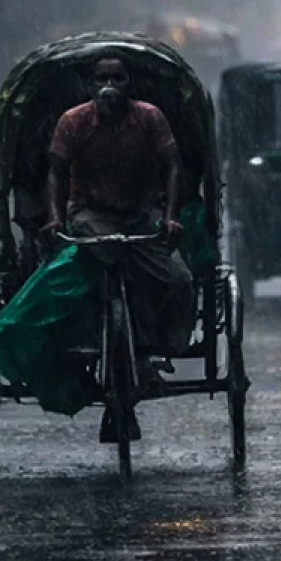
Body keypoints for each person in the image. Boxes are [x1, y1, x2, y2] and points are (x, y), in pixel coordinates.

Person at [46, 55, 193, 357]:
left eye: (118, 78)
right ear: (90, 85)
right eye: (102, 79)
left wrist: (170, 217)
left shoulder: (150, 118)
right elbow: (55, 172)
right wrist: (55, 218)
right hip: (91, 211)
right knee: (99, 261)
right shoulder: (72, 121)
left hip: (140, 212)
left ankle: (169, 341)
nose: (109, 85)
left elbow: (172, 165)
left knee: (181, 279)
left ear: (131, 84)